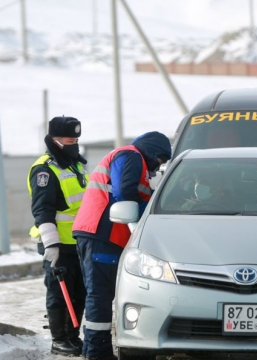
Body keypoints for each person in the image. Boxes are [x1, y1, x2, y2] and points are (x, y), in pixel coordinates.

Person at [72, 131, 171, 360]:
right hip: (102, 233)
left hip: (99, 233)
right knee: (100, 294)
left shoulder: (133, 159)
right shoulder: (131, 155)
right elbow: (124, 192)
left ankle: (93, 350)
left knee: (98, 293)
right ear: (153, 152)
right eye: (160, 160)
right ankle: (98, 352)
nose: (159, 166)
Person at [27, 116, 89, 356]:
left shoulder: (75, 164)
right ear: (54, 138)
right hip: (58, 244)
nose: (73, 140)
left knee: (79, 292)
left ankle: (73, 337)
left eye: (75, 137)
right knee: (59, 293)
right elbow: (43, 210)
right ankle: (59, 339)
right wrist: (51, 244)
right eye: (67, 137)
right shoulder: (45, 169)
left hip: (79, 242)